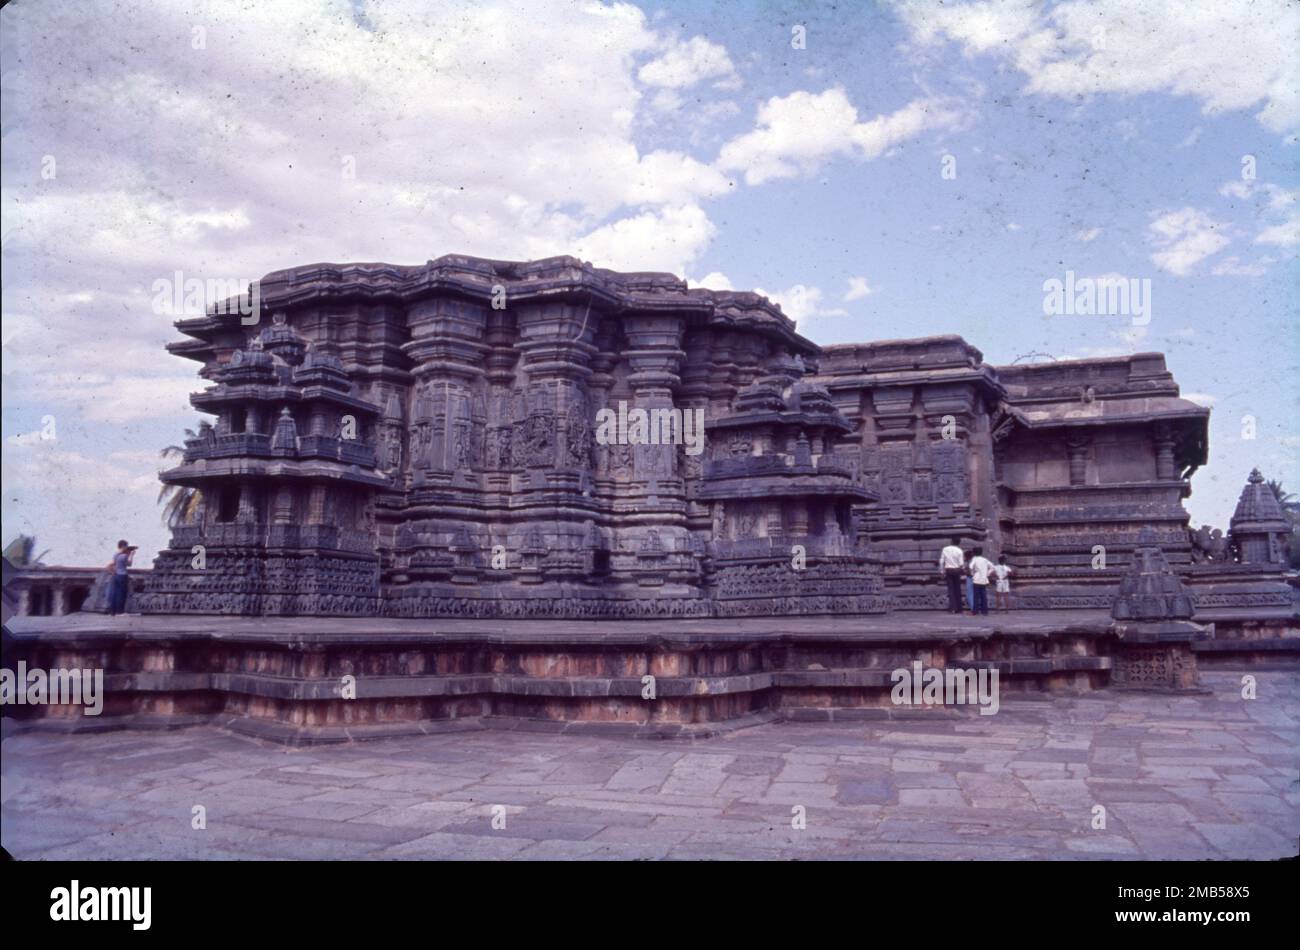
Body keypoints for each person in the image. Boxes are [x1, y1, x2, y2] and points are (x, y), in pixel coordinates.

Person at [105, 539, 136, 616]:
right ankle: (120, 612)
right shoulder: (124, 556)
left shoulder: (115, 554)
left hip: (115, 575)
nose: (127, 547)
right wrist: (131, 555)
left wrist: (113, 572)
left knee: (114, 594)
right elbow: (129, 564)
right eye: (126, 546)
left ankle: (113, 612)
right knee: (121, 594)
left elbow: (109, 566)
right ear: (123, 546)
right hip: (122, 575)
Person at [938, 537, 965, 614]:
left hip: (948, 570)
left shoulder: (945, 549)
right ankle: (959, 608)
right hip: (957, 570)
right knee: (957, 589)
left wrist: (942, 571)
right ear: (959, 543)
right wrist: (964, 570)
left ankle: (952, 608)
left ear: (951, 541)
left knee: (951, 589)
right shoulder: (959, 551)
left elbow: (941, 561)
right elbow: (961, 564)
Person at [968, 546, 994, 616]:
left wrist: (972, 573)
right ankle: (985, 611)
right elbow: (992, 567)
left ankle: (975, 611)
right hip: (983, 580)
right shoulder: (985, 560)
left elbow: (970, 566)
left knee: (976, 597)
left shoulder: (974, 559)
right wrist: (987, 574)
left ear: (974, 553)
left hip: (976, 579)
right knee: (983, 596)